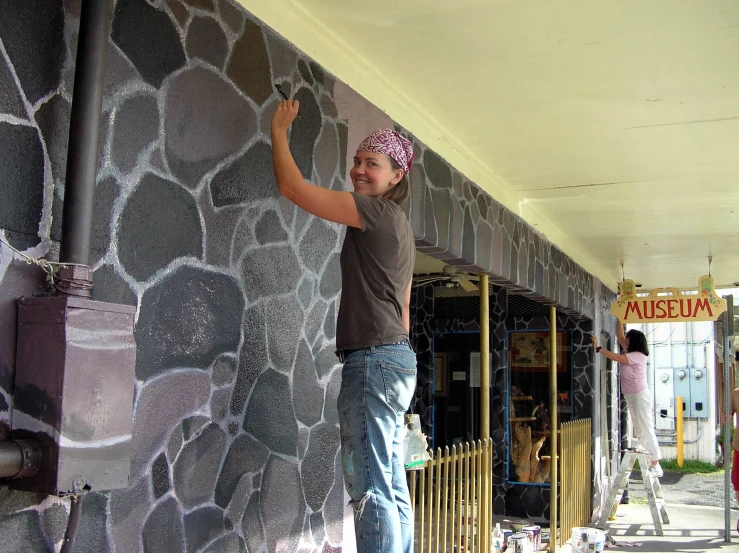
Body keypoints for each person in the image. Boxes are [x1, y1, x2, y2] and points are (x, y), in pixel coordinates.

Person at [271, 99, 416, 553]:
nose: (358, 170)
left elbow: (293, 188)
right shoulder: (402, 226)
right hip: (396, 358)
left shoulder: (375, 213)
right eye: (356, 161)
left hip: (374, 362)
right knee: (391, 486)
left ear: (396, 176)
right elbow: (405, 306)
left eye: (372, 164)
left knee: (370, 488)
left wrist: (279, 131)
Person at [591, 322, 663, 477]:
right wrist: (619, 317)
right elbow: (620, 335)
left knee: (645, 426)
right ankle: (651, 459)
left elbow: (616, 357)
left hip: (639, 394)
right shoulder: (630, 351)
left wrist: (598, 348)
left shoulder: (637, 356)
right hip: (632, 395)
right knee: (639, 428)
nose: (626, 340)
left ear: (634, 341)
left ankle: (656, 462)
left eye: (629, 338)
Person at [721, 386, 739, 531]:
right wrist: (725, 416)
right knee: (738, 481)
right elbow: (728, 413)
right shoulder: (736, 393)